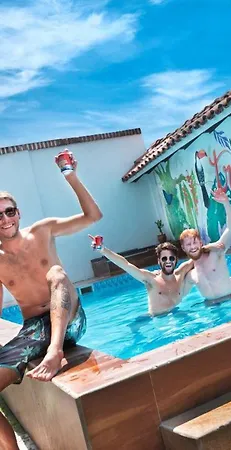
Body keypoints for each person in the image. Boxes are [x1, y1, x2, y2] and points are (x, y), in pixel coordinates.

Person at [0, 152, 102, 449]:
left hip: (70, 318)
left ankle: (55, 352)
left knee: (56, 273)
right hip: (34, 329)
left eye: (9, 211)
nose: (5, 219)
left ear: (18, 213)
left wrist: (71, 176)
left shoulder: (43, 230)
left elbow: (92, 217)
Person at [89, 238, 194, 316]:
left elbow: (196, 256)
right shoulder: (151, 279)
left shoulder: (180, 273)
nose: (168, 261)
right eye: (164, 258)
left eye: (171, 258)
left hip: (177, 315)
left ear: (176, 260)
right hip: (157, 321)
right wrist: (102, 249)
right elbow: (126, 265)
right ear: (159, 261)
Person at [180, 187, 231, 303]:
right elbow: (179, 296)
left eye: (195, 242)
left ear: (201, 243)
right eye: (188, 244)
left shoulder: (216, 253)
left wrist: (226, 203)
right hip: (211, 308)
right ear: (183, 248)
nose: (193, 247)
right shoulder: (191, 276)